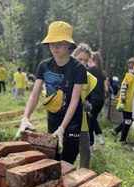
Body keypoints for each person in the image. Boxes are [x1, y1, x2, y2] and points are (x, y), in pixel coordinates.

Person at [14, 21, 87, 164]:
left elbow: (74, 100)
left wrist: (63, 128)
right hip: (53, 117)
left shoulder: (78, 68)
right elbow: (34, 95)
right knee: (52, 159)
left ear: (68, 44)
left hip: (72, 122)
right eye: (52, 42)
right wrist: (25, 118)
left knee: (67, 161)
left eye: (59, 42)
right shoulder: (44, 65)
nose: (55, 46)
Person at [72, 43, 97, 169]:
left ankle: (83, 177)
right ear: (74, 56)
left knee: (85, 153)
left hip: (83, 124)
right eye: (80, 59)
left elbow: (90, 99)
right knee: (66, 154)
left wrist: (88, 105)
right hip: (66, 123)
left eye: (86, 60)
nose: (83, 62)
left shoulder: (90, 78)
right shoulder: (67, 73)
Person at [111, 61, 134, 144]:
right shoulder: (129, 77)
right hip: (126, 104)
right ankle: (122, 140)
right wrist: (123, 102)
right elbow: (123, 89)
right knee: (128, 122)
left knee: (128, 121)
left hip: (132, 105)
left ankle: (115, 130)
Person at [88, 51, 107, 148]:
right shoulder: (102, 72)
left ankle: (90, 146)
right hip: (101, 100)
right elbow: (106, 89)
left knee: (89, 121)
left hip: (92, 99)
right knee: (93, 118)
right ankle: (99, 136)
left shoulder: (90, 70)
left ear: (92, 59)